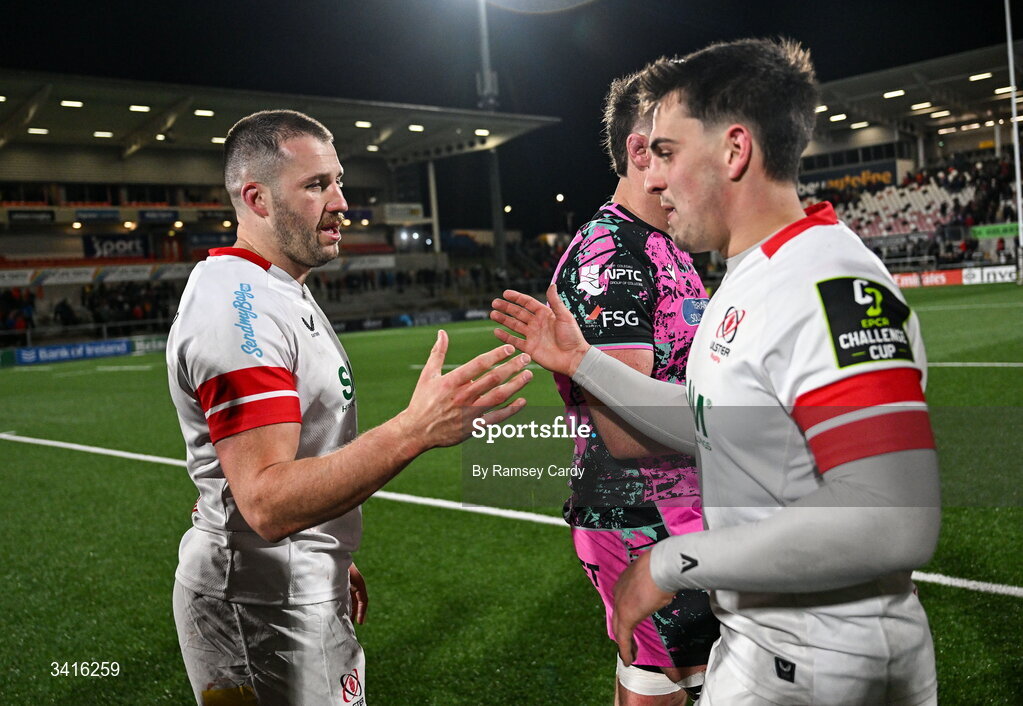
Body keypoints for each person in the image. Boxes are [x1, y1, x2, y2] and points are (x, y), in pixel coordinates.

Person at [492, 39, 941, 705]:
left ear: (734, 151)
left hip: (822, 659)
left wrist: (673, 561)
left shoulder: (829, 283)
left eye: (667, 152)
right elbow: (714, 421)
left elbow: (892, 516)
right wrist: (583, 362)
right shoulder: (748, 272)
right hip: (765, 641)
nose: (651, 177)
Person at [167, 109, 532, 705]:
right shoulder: (242, 311)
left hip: (288, 580)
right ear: (256, 200)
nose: (342, 202)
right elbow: (263, 499)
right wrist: (416, 429)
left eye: (338, 181)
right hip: (262, 602)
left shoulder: (275, 287)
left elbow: (242, 481)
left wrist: (322, 545)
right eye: (316, 186)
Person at [549, 71, 717, 704]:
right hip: (643, 517)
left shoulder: (661, 243)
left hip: (682, 514)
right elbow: (623, 432)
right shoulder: (613, 257)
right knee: (669, 682)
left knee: (679, 681)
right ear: (643, 152)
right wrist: (761, 426)